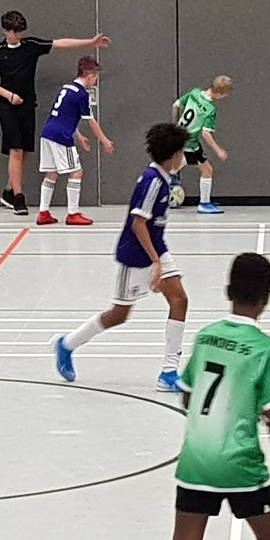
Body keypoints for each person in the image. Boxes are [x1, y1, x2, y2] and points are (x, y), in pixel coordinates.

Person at [153, 252, 270, 540]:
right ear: (267, 298)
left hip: (197, 462)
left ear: (227, 291)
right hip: (241, 466)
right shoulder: (267, 350)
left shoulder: (206, 337)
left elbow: (187, 396)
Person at [51, 122, 190, 392]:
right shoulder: (152, 182)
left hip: (157, 249)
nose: (183, 157)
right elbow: (138, 224)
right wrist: (155, 263)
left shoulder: (164, 179)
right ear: (173, 155)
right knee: (119, 314)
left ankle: (168, 373)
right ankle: (66, 344)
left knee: (179, 300)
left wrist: (159, 258)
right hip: (136, 255)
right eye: (182, 152)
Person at [0, 10, 110, 215]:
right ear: (6, 31)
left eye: (21, 32)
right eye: (15, 32)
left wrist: (90, 42)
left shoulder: (31, 45)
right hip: (7, 106)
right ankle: (19, 198)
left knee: (25, 151)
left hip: (27, 105)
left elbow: (60, 43)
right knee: (15, 150)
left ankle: (8, 191)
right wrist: (8, 95)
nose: (19, 36)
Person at [36, 56, 114, 226]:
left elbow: (65, 116)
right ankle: (73, 213)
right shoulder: (81, 94)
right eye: (95, 78)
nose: (95, 81)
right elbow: (91, 121)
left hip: (47, 133)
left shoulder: (66, 88)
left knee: (52, 172)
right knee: (76, 172)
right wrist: (104, 140)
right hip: (61, 137)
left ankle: (43, 212)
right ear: (90, 76)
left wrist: (79, 136)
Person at [171, 75, 232, 214]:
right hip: (190, 144)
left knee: (179, 166)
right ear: (220, 94)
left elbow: (176, 105)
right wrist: (218, 150)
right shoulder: (210, 109)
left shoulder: (195, 93)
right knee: (207, 170)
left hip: (179, 138)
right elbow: (205, 133)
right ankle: (204, 203)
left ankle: (171, 179)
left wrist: (174, 128)